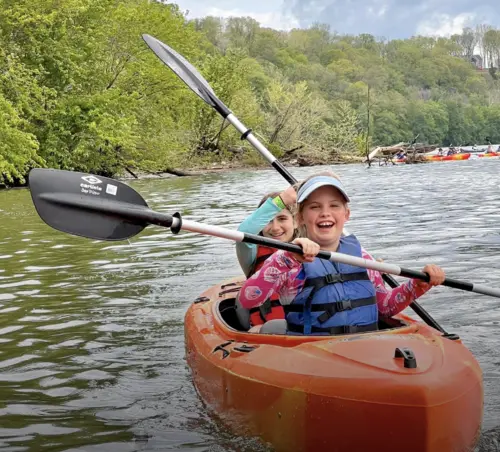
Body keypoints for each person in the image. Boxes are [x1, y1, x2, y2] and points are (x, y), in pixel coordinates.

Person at [238, 171, 446, 335]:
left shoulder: (362, 257)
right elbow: (248, 300)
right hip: (310, 354)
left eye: (334, 205)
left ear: (346, 214)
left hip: (365, 348)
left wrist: (417, 286)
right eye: (315, 207)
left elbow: (385, 307)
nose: (325, 213)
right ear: (300, 218)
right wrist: (285, 259)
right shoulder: (289, 257)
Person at [235, 186, 297, 330]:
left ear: (296, 221)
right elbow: (244, 233)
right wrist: (281, 201)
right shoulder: (251, 251)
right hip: (265, 329)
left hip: (305, 326)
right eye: (268, 221)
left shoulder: (307, 248)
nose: (275, 228)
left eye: (282, 219)